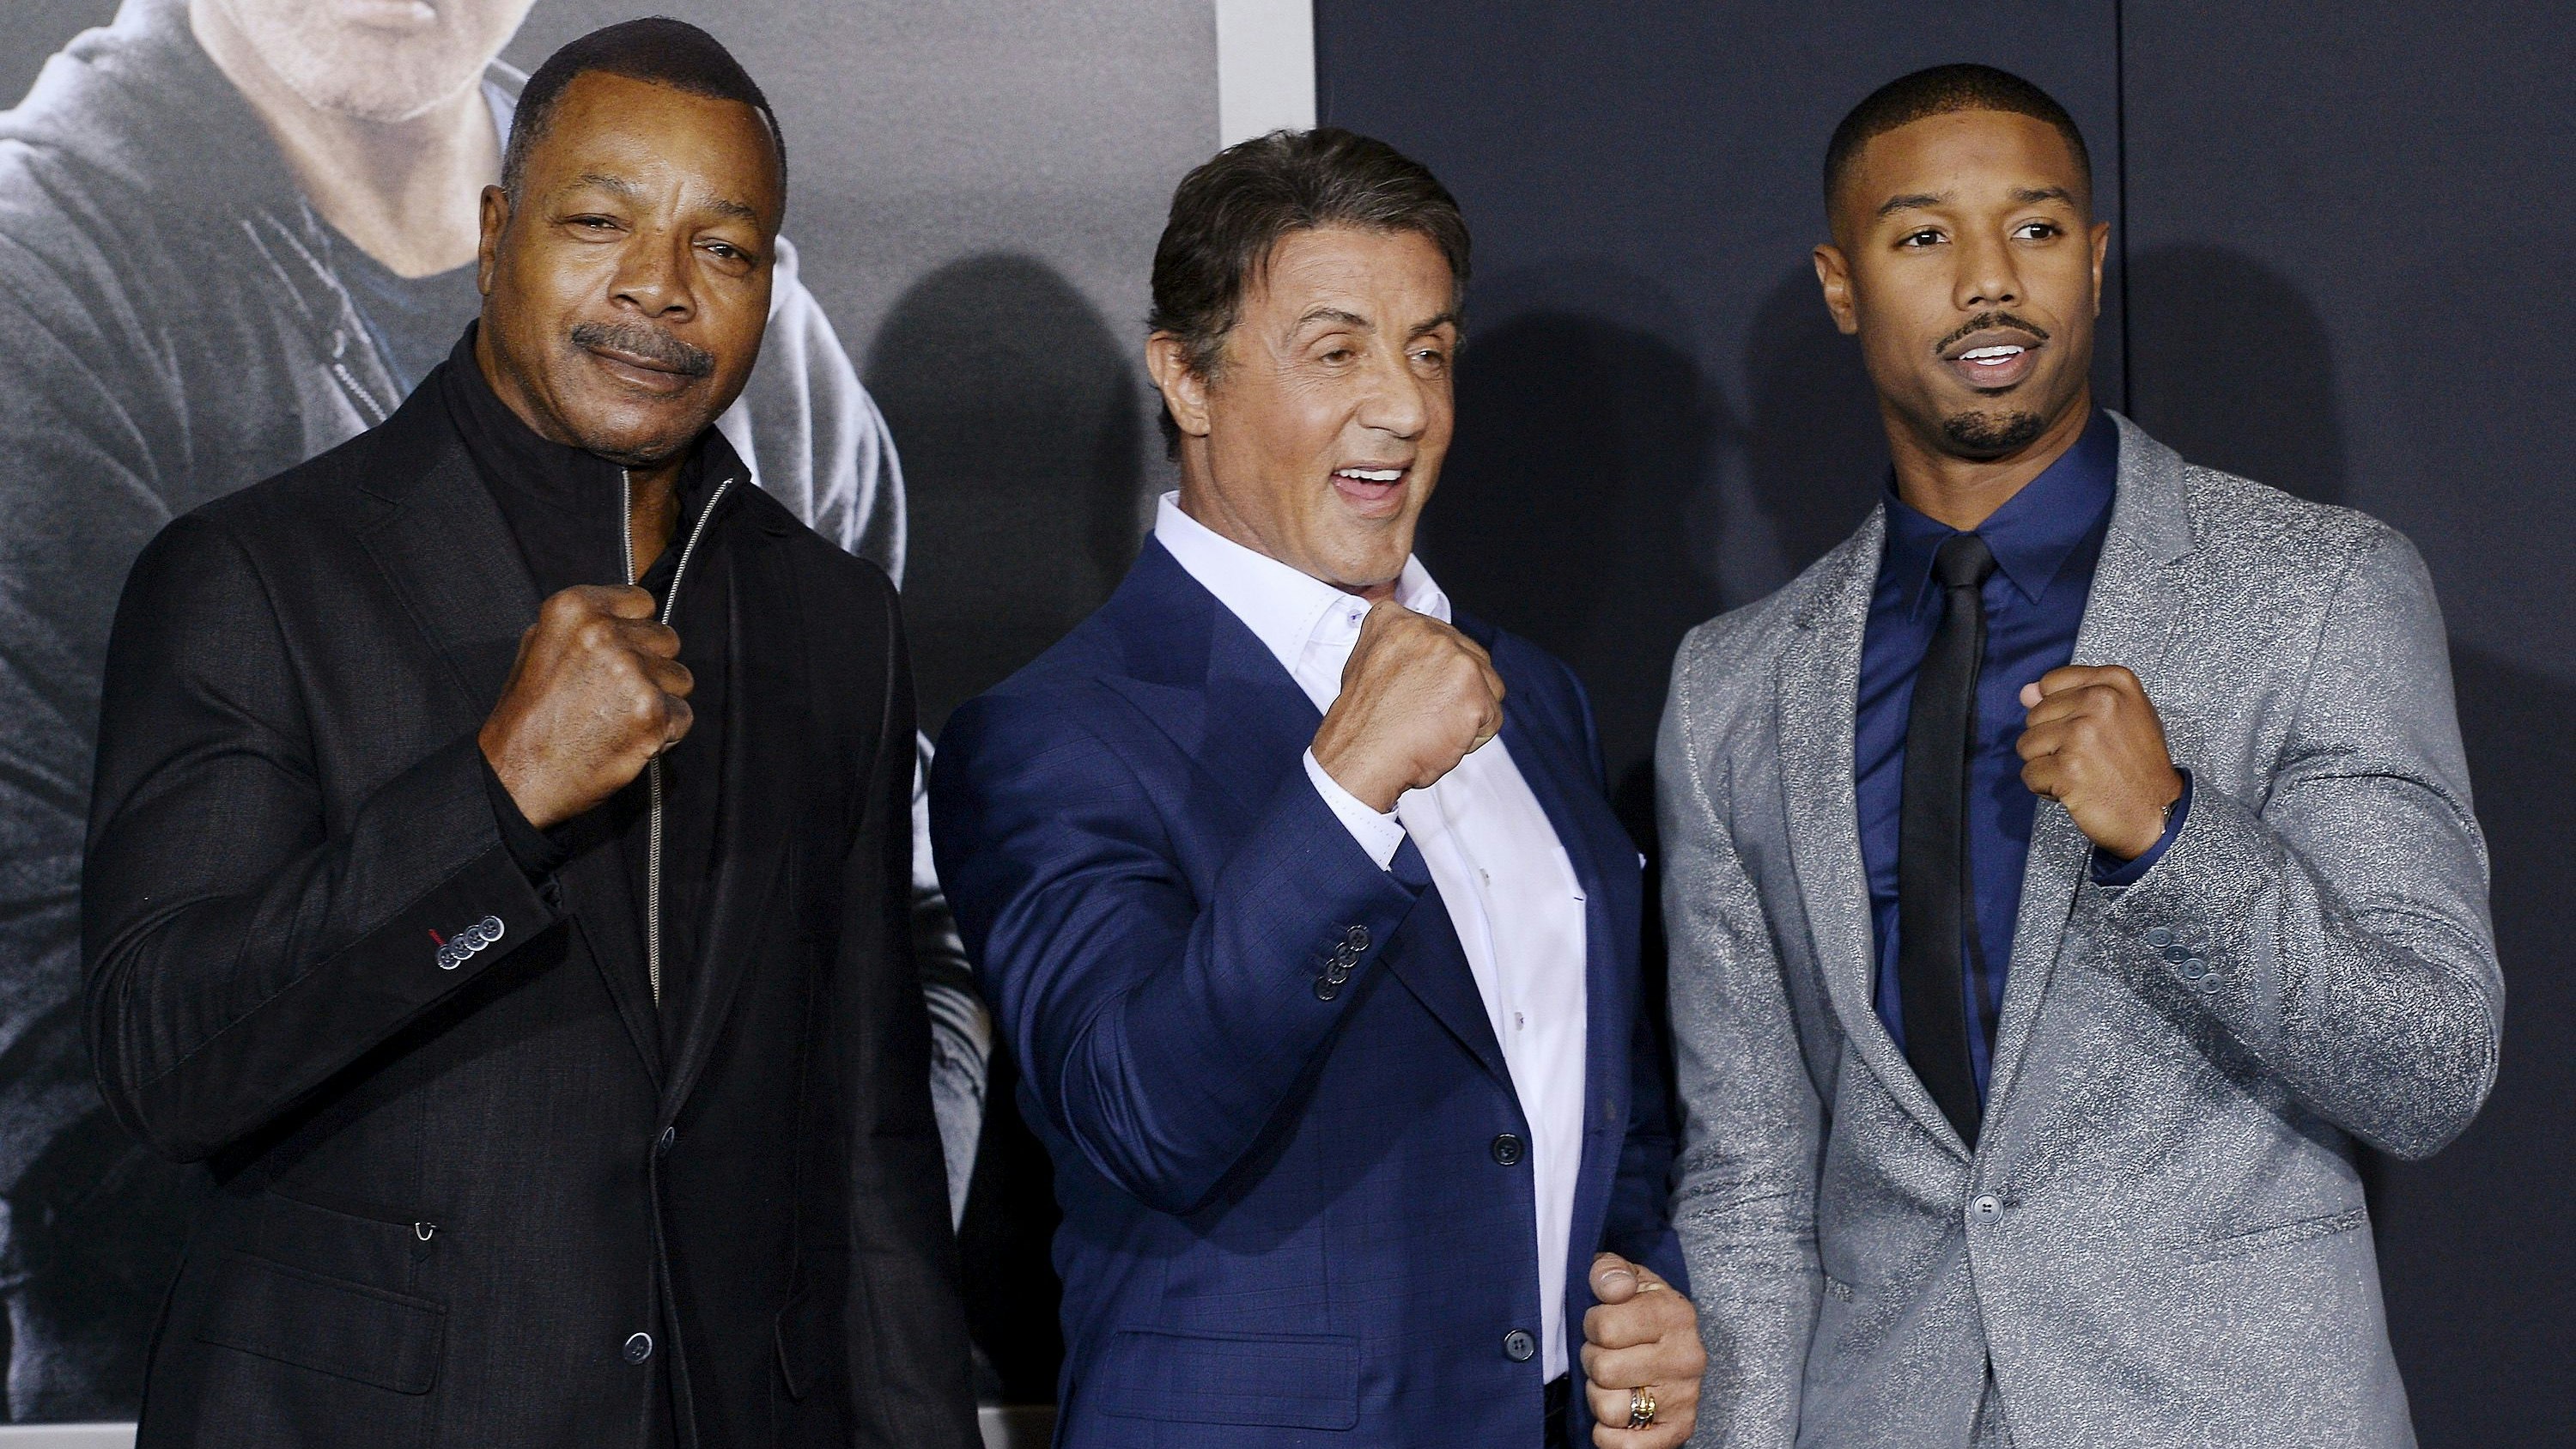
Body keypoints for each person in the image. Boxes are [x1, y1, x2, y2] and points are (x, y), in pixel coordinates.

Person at [0, 0, 985, 1413]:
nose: (660, 289)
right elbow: (163, 1064)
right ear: (494, 234)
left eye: (723, 248)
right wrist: (492, 802)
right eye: (600, 227)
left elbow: (879, 1126)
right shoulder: (252, 572)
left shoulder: (826, 612)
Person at [1658, 64, 2500, 1448]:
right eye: (1923, 236)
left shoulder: (2321, 589)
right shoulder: (1732, 686)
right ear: (1840, 282)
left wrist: (2175, 839)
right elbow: (1751, 1186)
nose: (1990, 282)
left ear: (2096, 262)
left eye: (2037, 230)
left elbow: (2432, 1064)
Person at [932, 128, 1704, 1448]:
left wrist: (1645, 1313)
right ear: (1186, 377)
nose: (1402, 406)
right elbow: (1143, 1117)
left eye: (1430, 351)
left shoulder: (1538, 696)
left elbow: (1594, 1094)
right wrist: (1347, 785)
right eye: (1337, 350)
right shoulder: (1049, 736)